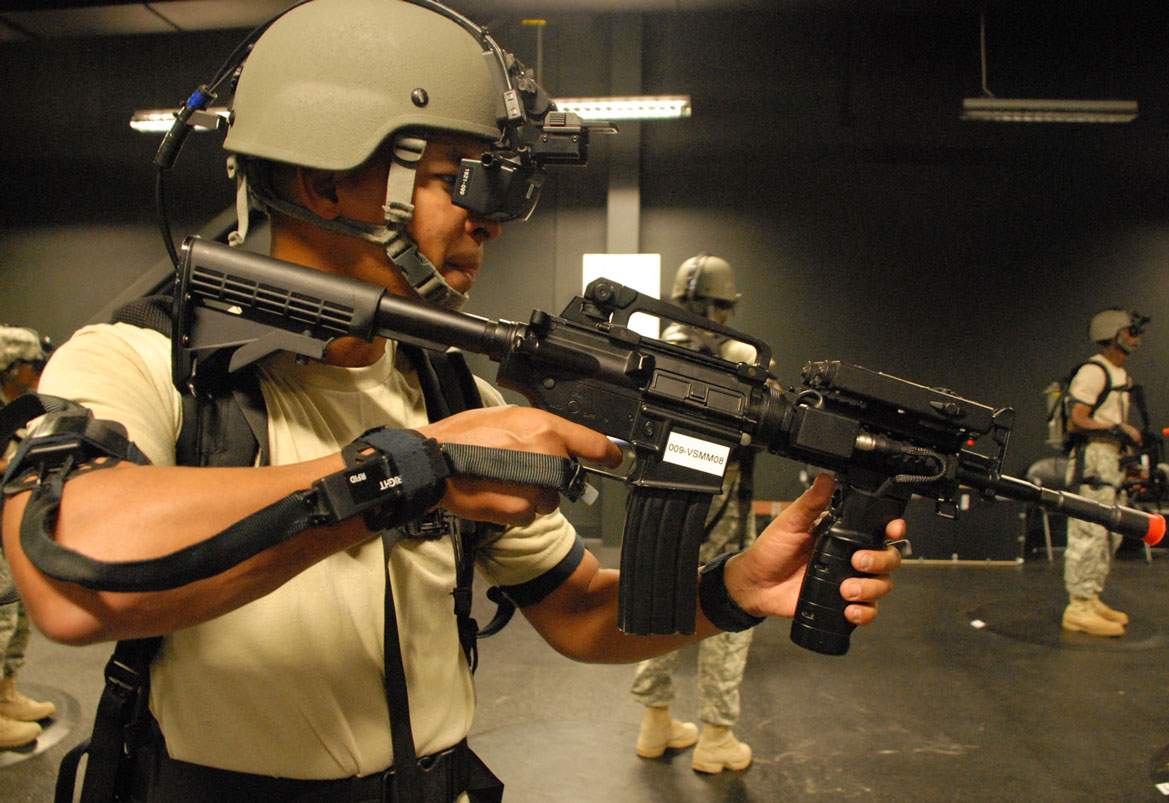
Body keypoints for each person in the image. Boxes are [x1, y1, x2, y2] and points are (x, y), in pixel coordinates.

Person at [0, 1, 903, 800]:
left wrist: (737, 587)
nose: (494, 218)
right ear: (327, 180)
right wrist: (416, 472)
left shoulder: (440, 384)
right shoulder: (142, 360)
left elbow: (582, 611)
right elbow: (71, 569)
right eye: (466, 178)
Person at [631, 254, 762, 774]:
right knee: (729, 610)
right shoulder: (740, 355)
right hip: (721, 507)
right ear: (725, 306)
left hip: (659, 498)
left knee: (658, 600)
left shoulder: (655, 349)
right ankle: (716, 737)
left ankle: (655, 724)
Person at [1061, 308, 1147, 637]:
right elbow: (1077, 418)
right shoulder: (1095, 371)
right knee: (1089, 531)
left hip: (1111, 458)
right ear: (1114, 334)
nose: (1136, 338)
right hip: (1093, 457)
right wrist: (1118, 427)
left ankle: (1091, 595)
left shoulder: (1119, 375)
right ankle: (1078, 606)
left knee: (1110, 531)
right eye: (1131, 331)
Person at [0, 325, 57, 749]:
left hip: (10, 530)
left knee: (15, 618)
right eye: (32, 365)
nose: (38, 373)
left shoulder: (19, 410)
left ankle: (5, 695)